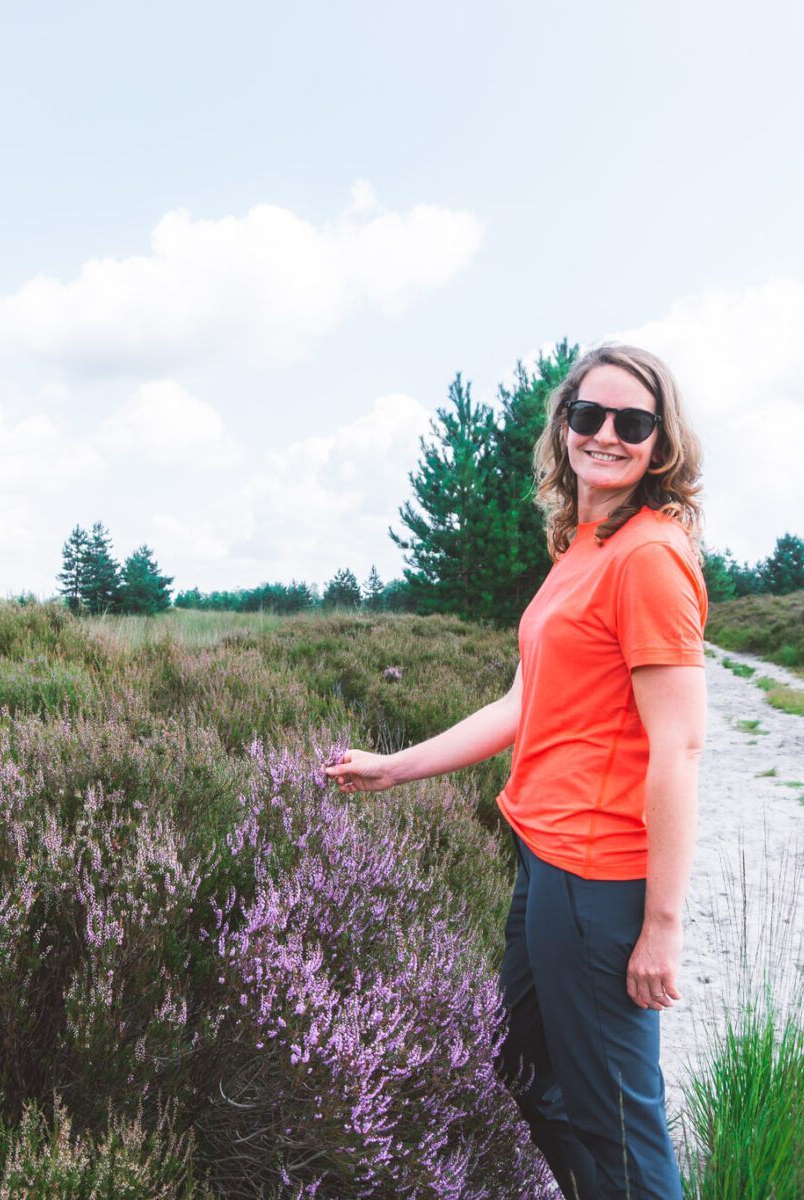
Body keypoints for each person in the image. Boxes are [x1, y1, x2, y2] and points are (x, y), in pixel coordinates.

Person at [324, 344, 706, 1198]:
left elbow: (679, 748)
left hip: (599, 880)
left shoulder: (649, 557)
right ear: (564, 425)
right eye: (589, 416)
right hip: (546, 865)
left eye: (632, 423)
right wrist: (397, 769)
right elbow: (523, 701)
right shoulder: (584, 547)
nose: (606, 435)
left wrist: (663, 925)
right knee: (526, 1068)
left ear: (661, 444)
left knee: (617, 1123)